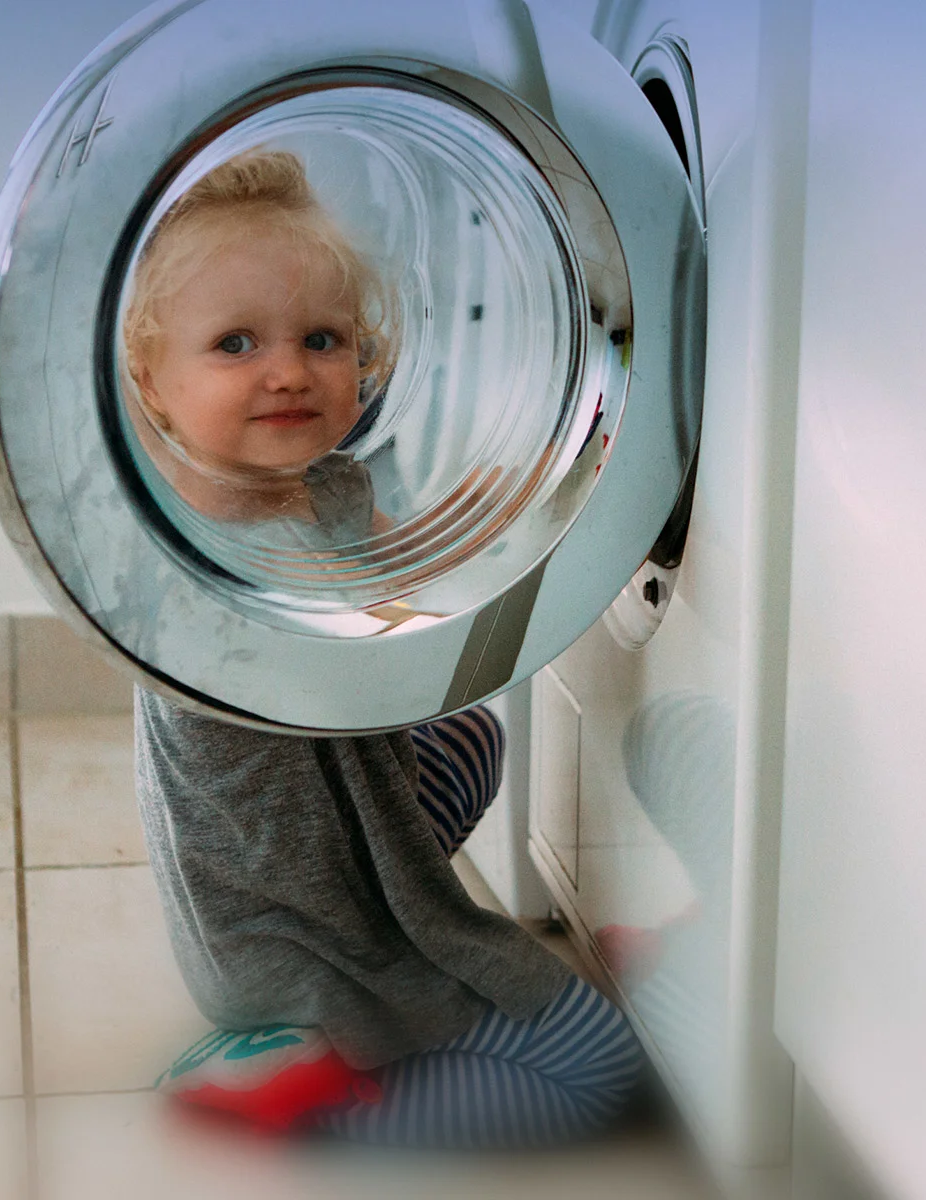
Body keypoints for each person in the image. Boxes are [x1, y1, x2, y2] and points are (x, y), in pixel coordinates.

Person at [119, 148, 645, 1149]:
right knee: (595, 1070)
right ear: (148, 383)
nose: (287, 370)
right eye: (234, 343)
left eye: (322, 337)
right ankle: (331, 1112)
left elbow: (373, 617)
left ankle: (327, 998)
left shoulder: (322, 487)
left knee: (471, 740)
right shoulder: (187, 552)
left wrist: (458, 522)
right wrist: (476, 551)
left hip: (309, 847)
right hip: (285, 938)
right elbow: (370, 655)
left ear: (366, 356)